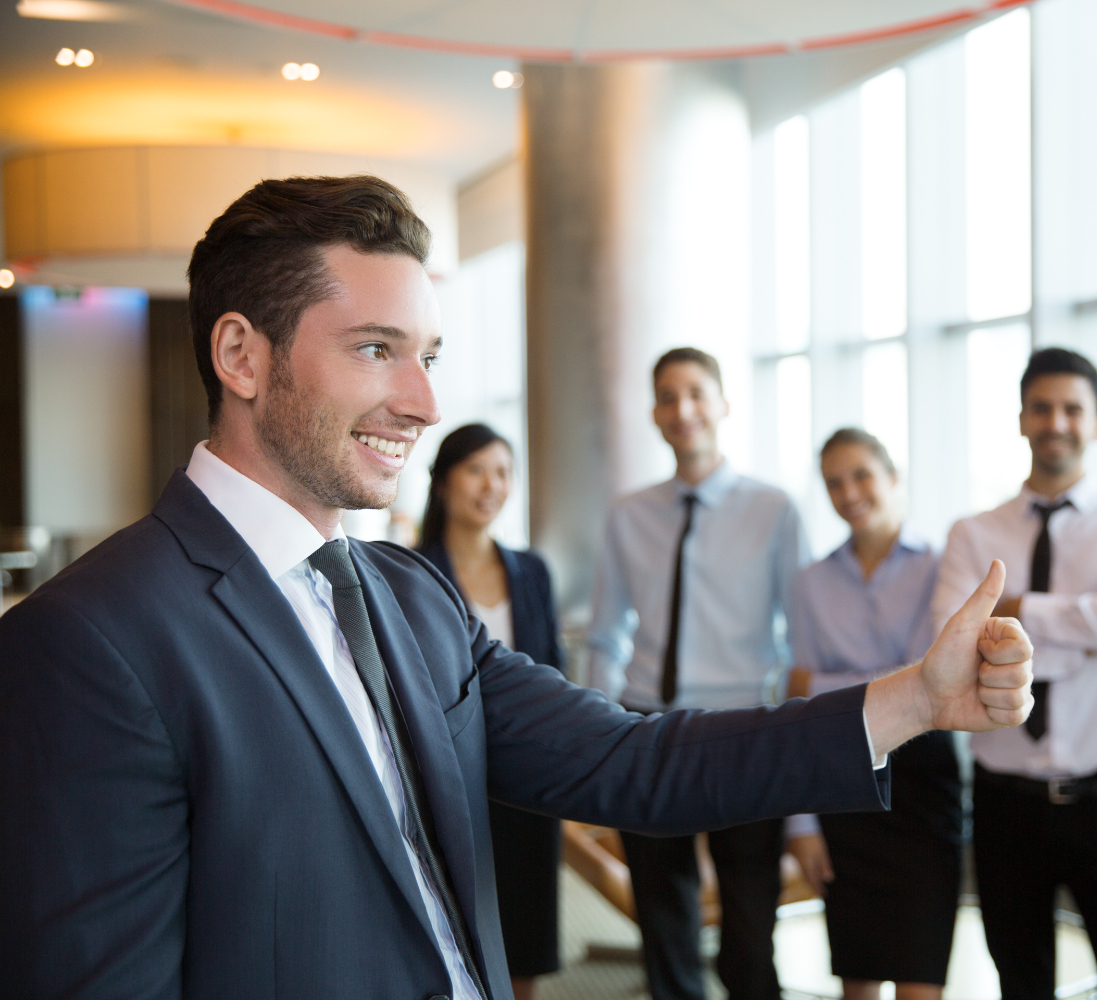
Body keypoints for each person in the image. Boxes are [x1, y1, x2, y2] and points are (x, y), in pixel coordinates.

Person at [0, 175, 1038, 1000]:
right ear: (241, 354)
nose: (423, 401)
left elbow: (638, 760)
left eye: (430, 356)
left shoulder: (412, 596)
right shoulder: (88, 641)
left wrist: (916, 700)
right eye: (377, 350)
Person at [932, 347, 1097, 1000]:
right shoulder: (972, 533)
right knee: (1021, 982)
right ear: (1021, 420)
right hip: (1003, 800)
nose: (1057, 422)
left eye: (1073, 408)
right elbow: (954, 647)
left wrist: (1017, 615)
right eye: (1042, 408)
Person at [587, 346, 807, 1000]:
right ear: (655, 413)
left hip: (743, 725)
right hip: (646, 727)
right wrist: (602, 736)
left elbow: (800, 636)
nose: (682, 409)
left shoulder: (774, 509)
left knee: (749, 917)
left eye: (695, 393)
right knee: (663, 915)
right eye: (667, 397)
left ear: (722, 404)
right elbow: (604, 633)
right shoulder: (629, 514)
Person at [783, 428, 961, 1000]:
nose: (849, 492)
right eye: (834, 482)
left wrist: (831, 684)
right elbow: (801, 704)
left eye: (861, 475)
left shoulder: (941, 567)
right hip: (844, 783)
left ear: (892, 476)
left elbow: (938, 676)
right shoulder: (810, 583)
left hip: (924, 787)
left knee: (920, 983)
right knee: (855, 984)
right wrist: (802, 824)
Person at [416, 423, 565, 1000]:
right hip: (449, 778)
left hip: (528, 777)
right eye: (476, 469)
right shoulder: (410, 574)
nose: (491, 485)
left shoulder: (531, 571)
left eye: (502, 472)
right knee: (451, 922)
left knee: (524, 928)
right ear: (444, 482)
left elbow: (551, 672)